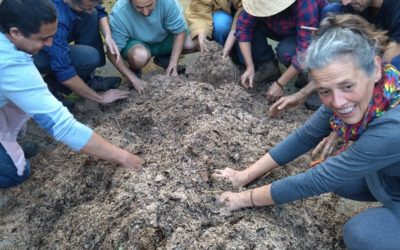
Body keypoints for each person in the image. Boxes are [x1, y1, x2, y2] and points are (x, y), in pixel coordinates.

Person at [214, 14, 400, 249]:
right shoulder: (355, 91)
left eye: (347, 86)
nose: (338, 102)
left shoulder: (393, 128)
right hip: (389, 181)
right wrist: (244, 175)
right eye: (324, 91)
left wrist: (243, 199)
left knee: (360, 233)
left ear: (374, 68)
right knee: (340, 175)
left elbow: (316, 181)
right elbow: (305, 136)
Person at [0, 0, 142, 188]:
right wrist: (124, 157)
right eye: (43, 39)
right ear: (15, 32)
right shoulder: (10, 65)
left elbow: (98, 10)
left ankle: (7, 140)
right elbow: (61, 125)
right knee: (17, 174)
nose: (50, 43)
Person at [270, 0, 400, 116]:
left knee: (395, 64)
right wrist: (301, 95)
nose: (345, 2)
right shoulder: (349, 6)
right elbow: (334, 59)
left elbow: (383, 67)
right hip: (369, 50)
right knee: (332, 11)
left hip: (386, 60)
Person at [33, 0, 129, 107]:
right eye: (84, 8)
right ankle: (46, 90)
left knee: (92, 14)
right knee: (90, 57)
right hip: (31, 53)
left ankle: (87, 79)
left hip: (54, 36)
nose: (88, 10)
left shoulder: (79, 5)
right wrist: (101, 98)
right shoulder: (57, 20)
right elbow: (64, 71)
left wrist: (108, 37)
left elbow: (99, 10)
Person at [235, 0, 327, 99]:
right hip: (279, 27)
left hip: (312, 37)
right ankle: (268, 66)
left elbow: (305, 50)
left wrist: (280, 84)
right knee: (254, 27)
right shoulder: (257, 3)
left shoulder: (305, 4)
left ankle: (310, 75)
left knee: (285, 51)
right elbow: (243, 27)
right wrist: (250, 66)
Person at [108, 0, 197, 93]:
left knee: (196, 42)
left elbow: (179, 32)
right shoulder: (119, 13)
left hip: (164, 37)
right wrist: (133, 79)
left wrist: (173, 64)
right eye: (139, 7)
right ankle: (134, 69)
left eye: (149, 5)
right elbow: (112, 54)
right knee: (139, 57)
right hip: (137, 43)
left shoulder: (168, 2)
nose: (145, 12)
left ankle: (165, 59)